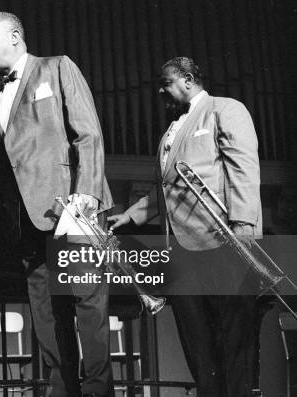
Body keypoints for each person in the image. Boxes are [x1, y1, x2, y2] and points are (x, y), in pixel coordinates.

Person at [0, 12, 114, 397]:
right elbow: (1, 174)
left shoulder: (57, 67)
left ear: (15, 35)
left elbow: (89, 135)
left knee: (89, 314)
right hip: (29, 226)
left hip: (74, 215)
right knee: (48, 321)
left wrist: (86, 194)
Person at [109, 57, 262, 397]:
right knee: (198, 344)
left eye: (166, 83)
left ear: (189, 80)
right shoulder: (171, 129)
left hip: (222, 241)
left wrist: (244, 228)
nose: (161, 91)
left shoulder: (225, 109)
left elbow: (244, 170)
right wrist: (131, 215)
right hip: (181, 251)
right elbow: (167, 189)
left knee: (233, 340)